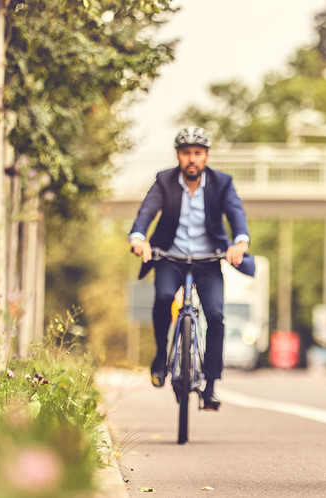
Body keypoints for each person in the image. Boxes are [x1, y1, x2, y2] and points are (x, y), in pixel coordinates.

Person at [130, 127, 252, 411]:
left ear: (206, 156)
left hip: (209, 261)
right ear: (178, 156)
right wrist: (138, 237)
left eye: (197, 153)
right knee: (162, 299)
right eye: (186, 153)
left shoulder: (222, 183)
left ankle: (210, 385)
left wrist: (240, 242)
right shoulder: (164, 181)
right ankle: (161, 357)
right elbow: (146, 212)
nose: (192, 159)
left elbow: (236, 213)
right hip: (170, 257)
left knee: (216, 316)